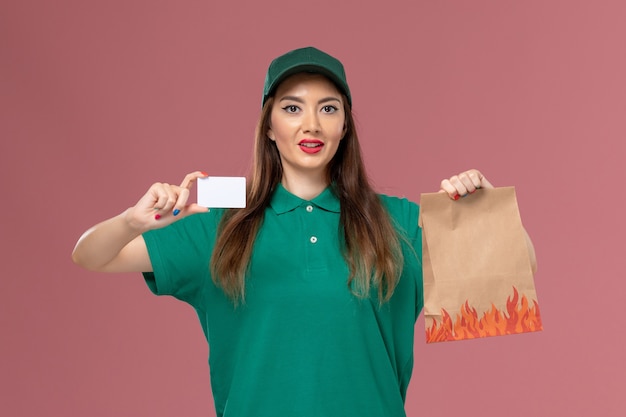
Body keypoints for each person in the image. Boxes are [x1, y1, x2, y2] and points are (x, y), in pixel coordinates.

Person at [72, 46, 536, 417]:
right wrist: (132, 221)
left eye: (327, 109)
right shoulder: (221, 225)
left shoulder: (396, 220)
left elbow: (511, 278)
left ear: (345, 125)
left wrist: (487, 213)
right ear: (270, 126)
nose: (310, 124)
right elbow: (91, 256)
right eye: (293, 108)